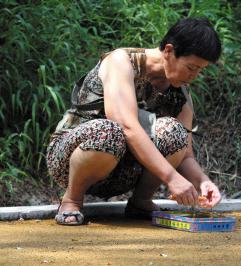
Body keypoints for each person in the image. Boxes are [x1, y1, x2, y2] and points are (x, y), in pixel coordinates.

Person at [46, 17, 222, 225]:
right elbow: (126, 127)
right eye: (191, 67)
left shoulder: (182, 91)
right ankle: (72, 199)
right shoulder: (121, 62)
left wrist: (203, 182)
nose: (194, 76)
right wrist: (172, 179)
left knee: (175, 132)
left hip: (124, 172)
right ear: (168, 51)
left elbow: (185, 154)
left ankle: (141, 201)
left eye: (200, 70)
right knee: (109, 131)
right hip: (71, 160)